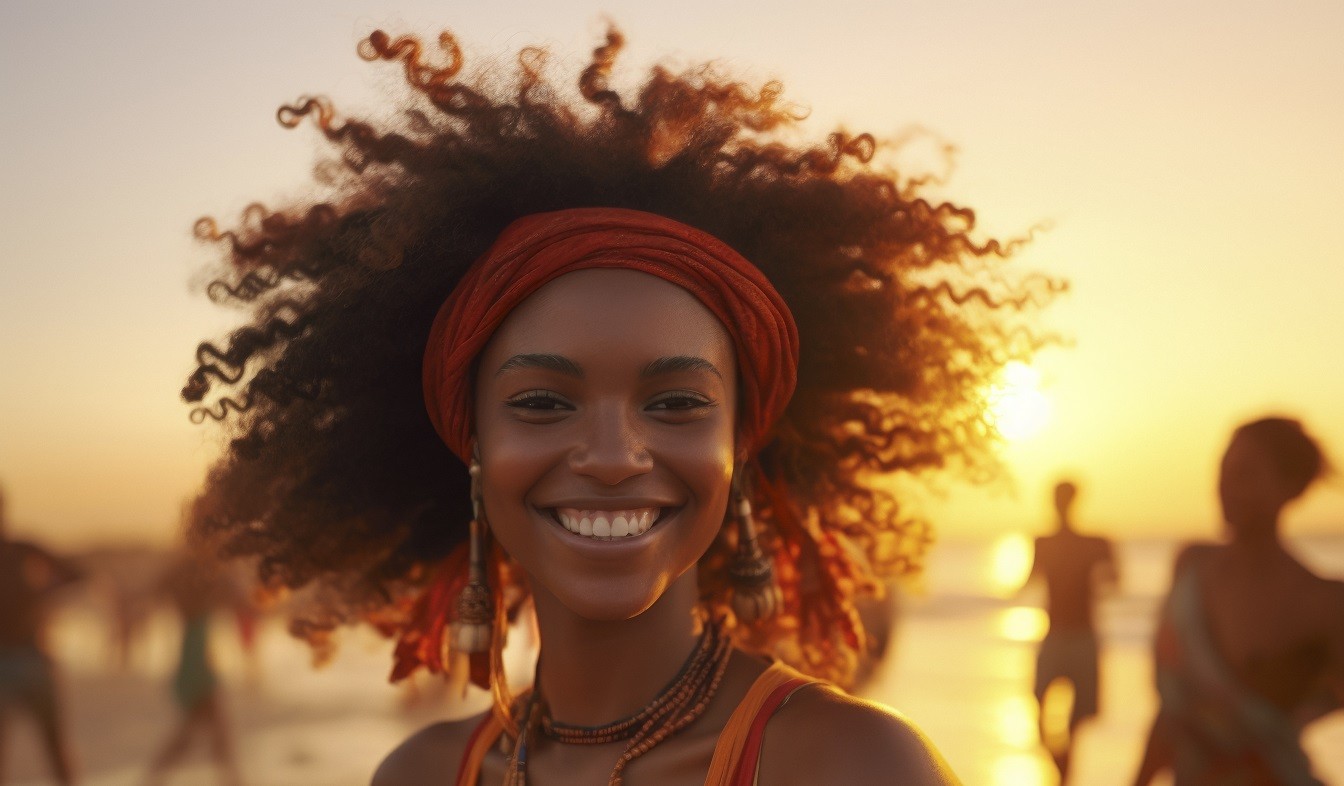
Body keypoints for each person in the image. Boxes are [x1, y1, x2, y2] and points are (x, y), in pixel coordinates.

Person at [180, 27, 1053, 785]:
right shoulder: (417, 775)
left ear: (740, 447)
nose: (610, 453)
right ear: (471, 445)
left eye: (675, 402)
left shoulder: (854, 768)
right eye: (541, 402)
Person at [1131, 417, 1344, 785]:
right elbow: (1173, 714)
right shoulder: (1191, 566)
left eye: (1244, 474)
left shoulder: (1325, 604)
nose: (1225, 487)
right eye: (1222, 471)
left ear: (1289, 487)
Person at [1020, 480, 1117, 782]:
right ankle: (1058, 762)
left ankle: (1064, 777)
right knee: (1037, 703)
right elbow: (1029, 580)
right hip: (1055, 634)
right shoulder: (1043, 542)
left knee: (1077, 720)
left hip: (1084, 636)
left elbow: (1115, 580)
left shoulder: (1095, 542)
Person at [0, 482, 83, 786]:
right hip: (25, 661)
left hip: (31, 659)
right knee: (54, 750)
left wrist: (44, 595)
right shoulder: (23, 550)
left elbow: (77, 574)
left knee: (55, 749)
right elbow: (77, 575)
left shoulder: (24, 550)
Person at [144, 546, 245, 786]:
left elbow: (157, 588)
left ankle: (156, 777)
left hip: (191, 665)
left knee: (200, 730)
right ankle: (230, 780)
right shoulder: (200, 590)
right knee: (207, 729)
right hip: (196, 667)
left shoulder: (186, 588)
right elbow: (235, 594)